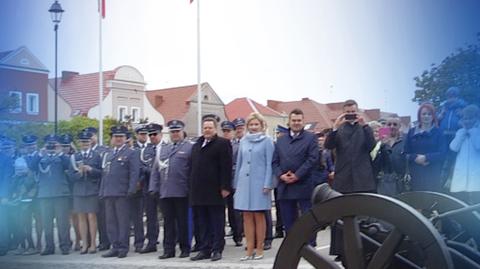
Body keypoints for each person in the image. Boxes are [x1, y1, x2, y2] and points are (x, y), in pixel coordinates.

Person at [324, 99, 376, 262]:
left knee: (363, 215)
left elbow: (371, 145)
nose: (351, 115)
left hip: (362, 178)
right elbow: (328, 145)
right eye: (348, 112)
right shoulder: (339, 129)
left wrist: (365, 125)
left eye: (353, 111)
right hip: (344, 178)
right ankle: (339, 250)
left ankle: (364, 248)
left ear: (358, 111)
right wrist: (334, 127)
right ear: (343, 112)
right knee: (340, 215)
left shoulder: (364, 129)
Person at [190, 115, 233, 262]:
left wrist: (226, 187)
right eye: (205, 128)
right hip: (198, 191)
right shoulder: (197, 144)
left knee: (216, 221)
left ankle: (217, 249)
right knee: (202, 222)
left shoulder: (223, 143)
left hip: (215, 190)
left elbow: (227, 166)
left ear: (215, 129)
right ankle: (205, 249)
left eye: (210, 128)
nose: (207, 130)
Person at [233, 112, 274, 261]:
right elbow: (240, 163)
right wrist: (236, 184)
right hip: (244, 183)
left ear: (262, 125)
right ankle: (249, 250)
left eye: (256, 124)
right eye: (251, 124)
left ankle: (260, 249)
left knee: (259, 215)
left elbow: (270, 164)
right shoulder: (243, 141)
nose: (254, 127)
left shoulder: (267, 141)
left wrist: (268, 183)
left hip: (260, 183)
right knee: (246, 216)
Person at [150, 120, 192, 259]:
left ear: (182, 132)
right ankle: (168, 249)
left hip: (182, 191)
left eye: (177, 131)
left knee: (182, 222)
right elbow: (156, 170)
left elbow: (192, 170)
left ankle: (185, 248)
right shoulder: (163, 149)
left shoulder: (189, 147)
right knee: (168, 222)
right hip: (165, 191)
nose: (175, 134)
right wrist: (153, 187)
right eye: (172, 132)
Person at [272, 109, 319, 234]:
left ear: (303, 122)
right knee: (289, 223)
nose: (296, 123)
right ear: (289, 122)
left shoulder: (311, 138)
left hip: (304, 185)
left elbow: (312, 159)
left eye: (299, 120)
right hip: (285, 186)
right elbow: (275, 162)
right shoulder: (280, 140)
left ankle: (310, 248)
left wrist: (297, 175)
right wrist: (281, 175)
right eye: (294, 120)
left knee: (307, 220)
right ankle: (292, 250)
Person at [99, 126, 140, 258]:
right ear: (112, 139)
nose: (118, 139)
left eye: (121, 137)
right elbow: (105, 173)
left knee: (123, 221)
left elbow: (134, 173)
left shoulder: (131, 153)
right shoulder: (109, 154)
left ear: (125, 138)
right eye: (116, 137)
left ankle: (123, 247)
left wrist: (131, 189)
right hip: (109, 191)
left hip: (123, 192)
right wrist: (102, 190)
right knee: (111, 221)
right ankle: (114, 246)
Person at [30, 135, 72, 255]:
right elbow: (32, 167)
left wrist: (60, 153)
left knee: (62, 222)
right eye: (49, 144)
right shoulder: (41, 156)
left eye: (53, 144)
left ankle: (65, 245)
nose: (51, 146)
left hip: (60, 193)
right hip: (45, 193)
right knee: (46, 222)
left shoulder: (63, 157)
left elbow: (68, 165)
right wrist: (40, 153)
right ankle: (49, 246)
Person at [68, 130, 102, 254]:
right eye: (82, 142)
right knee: (81, 217)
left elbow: (101, 173)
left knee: (92, 217)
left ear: (90, 142)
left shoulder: (96, 155)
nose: (85, 144)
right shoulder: (74, 157)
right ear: (79, 143)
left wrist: (91, 169)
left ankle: (93, 244)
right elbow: (70, 176)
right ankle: (84, 244)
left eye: (87, 142)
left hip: (92, 190)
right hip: (79, 190)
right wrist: (79, 173)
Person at [404, 103, 447, 192]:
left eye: (429, 114)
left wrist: (426, 158)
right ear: (419, 116)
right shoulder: (411, 132)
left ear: (433, 116)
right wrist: (415, 158)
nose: (426, 116)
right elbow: (405, 152)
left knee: (432, 200)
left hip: (433, 173)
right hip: (416, 173)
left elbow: (443, 153)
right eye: (424, 114)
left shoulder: (439, 132)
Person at [82, 127, 110, 251]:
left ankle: (104, 241)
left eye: (92, 135)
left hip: (100, 187)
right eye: (88, 137)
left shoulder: (103, 150)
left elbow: (104, 170)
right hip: (87, 189)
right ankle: (88, 243)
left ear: (96, 136)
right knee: (88, 217)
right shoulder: (81, 152)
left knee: (102, 218)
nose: (90, 138)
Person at [138, 123, 163, 254]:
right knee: (151, 217)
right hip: (148, 188)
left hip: (164, 187)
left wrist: (153, 170)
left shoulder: (166, 148)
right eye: (150, 134)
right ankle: (151, 242)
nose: (152, 137)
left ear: (160, 134)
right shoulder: (145, 150)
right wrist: (153, 170)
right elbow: (142, 167)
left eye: (155, 134)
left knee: (169, 216)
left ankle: (173, 241)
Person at [449, 104, 480, 204]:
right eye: (465, 118)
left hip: (476, 174)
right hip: (461, 173)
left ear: (476, 118)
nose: (467, 121)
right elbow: (453, 147)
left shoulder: (478, 131)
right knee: (461, 203)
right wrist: (462, 134)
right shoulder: (460, 132)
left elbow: (478, 145)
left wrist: (472, 131)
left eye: (470, 118)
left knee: (476, 202)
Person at [221, 120, 243, 247]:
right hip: (222, 181)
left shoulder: (237, 145)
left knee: (234, 210)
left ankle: (237, 235)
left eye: (228, 131)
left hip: (234, 180)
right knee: (224, 210)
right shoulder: (220, 144)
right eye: (224, 131)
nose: (226, 133)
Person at [129, 125, 149, 253]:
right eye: (141, 134)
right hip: (136, 188)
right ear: (136, 135)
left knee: (149, 216)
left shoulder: (150, 148)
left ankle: (150, 239)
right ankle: (138, 242)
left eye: (145, 134)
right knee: (136, 216)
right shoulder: (132, 149)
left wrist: (140, 180)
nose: (144, 136)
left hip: (147, 185)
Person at [376, 117, 407, 196]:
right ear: (385, 126)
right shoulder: (379, 140)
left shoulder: (405, 140)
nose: (392, 126)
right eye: (389, 124)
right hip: (383, 181)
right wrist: (381, 144)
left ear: (399, 126)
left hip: (400, 181)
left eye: (395, 124)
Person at [0, 138, 15, 256]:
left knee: (2, 222)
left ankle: (3, 246)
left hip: (1, 196)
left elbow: (7, 178)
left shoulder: (5, 159)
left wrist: (4, 195)